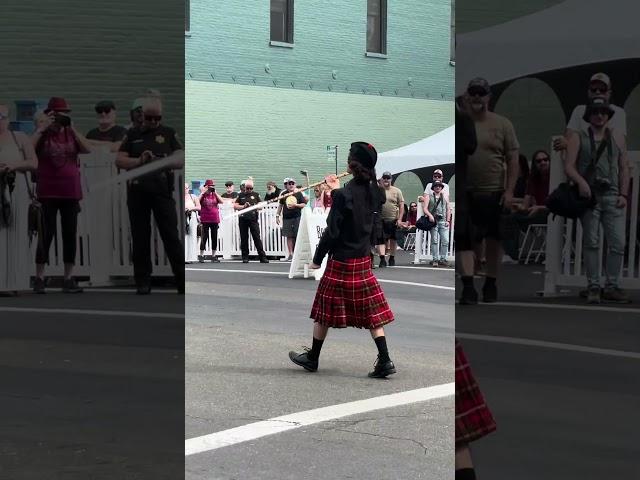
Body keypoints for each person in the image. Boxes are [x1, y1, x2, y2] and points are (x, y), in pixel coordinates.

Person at [289, 142, 396, 378]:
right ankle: (385, 360)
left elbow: (332, 231)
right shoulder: (376, 192)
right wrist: (335, 191)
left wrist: (317, 259)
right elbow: (361, 205)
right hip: (362, 260)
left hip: (341, 261)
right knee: (371, 312)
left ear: (351, 164)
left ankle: (313, 358)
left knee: (324, 310)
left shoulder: (345, 195)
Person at [116, 96, 185, 294]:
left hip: (162, 191)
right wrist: (139, 161)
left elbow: (180, 159)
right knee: (140, 237)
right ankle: (143, 281)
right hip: (138, 192)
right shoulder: (132, 134)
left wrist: (161, 161)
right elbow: (119, 160)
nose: (154, 122)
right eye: (149, 118)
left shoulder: (168, 133)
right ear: (141, 116)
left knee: (170, 235)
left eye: (157, 118)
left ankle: (181, 279)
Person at [565, 97, 630, 304]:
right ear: (588, 115)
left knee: (618, 243)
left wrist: (624, 193)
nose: (599, 115)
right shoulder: (579, 136)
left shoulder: (617, 136)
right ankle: (593, 285)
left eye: (603, 111)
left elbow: (624, 167)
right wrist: (581, 183)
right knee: (591, 242)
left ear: (608, 115)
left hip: (612, 195)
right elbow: (569, 166)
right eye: (595, 111)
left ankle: (611, 285)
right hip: (590, 195)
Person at [460, 77, 519, 304]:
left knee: (494, 239)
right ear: (467, 95)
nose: (477, 97)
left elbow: (513, 159)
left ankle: (491, 282)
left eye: (481, 93)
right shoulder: (462, 122)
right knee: (464, 240)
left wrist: (510, 191)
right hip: (467, 191)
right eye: (472, 92)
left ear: (488, 96)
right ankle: (467, 286)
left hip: (494, 190)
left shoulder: (503, 124)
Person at [31, 97, 92, 294]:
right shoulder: (44, 134)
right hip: (48, 191)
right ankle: (39, 277)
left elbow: (87, 149)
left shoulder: (71, 133)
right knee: (45, 235)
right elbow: (29, 149)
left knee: (69, 234)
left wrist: (72, 129)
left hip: (70, 192)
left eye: (65, 114)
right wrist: (42, 128)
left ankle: (68, 277)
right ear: (50, 114)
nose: (61, 117)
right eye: (58, 114)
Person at [0, 104, 38, 293]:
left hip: (17, 190)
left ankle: (16, 281)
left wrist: (14, 165)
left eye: (3, 117)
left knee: (17, 233)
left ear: (8, 119)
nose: (0, 121)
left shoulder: (20, 138)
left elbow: (33, 163)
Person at [554, 73, 627, 151]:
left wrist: (575, 143)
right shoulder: (579, 110)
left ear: (609, 93)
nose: (597, 92)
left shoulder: (618, 112)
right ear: (588, 92)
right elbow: (568, 138)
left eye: (602, 90)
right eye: (593, 90)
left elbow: (618, 143)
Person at [502, 150, 551, 260]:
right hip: (536, 212)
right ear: (534, 164)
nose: (543, 162)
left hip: (552, 213)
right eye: (539, 161)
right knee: (506, 218)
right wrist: (519, 207)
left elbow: (558, 205)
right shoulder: (533, 180)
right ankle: (511, 254)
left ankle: (511, 255)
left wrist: (539, 207)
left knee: (512, 218)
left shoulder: (555, 179)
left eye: (545, 160)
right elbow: (525, 204)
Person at [234, 178, 269, 263]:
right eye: (247, 188)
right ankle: (245, 257)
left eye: (251, 188)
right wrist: (243, 207)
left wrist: (256, 206)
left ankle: (262, 257)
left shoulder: (256, 195)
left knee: (257, 237)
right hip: (243, 219)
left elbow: (261, 206)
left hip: (253, 219)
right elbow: (235, 205)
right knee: (244, 238)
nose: (249, 190)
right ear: (244, 187)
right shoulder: (240, 195)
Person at [276, 176, 307, 261]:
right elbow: (280, 205)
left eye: (292, 183)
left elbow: (304, 204)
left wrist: (296, 205)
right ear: (287, 185)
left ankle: (298, 254)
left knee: (297, 235)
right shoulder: (284, 194)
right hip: (286, 217)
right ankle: (290, 254)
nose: (291, 185)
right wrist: (277, 216)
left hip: (296, 217)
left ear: (295, 184)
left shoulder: (298, 193)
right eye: (289, 183)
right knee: (289, 236)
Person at [378, 171, 404, 267]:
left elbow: (401, 206)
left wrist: (400, 219)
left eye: (388, 178)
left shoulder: (397, 191)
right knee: (380, 240)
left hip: (393, 219)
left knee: (393, 239)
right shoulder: (378, 190)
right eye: (384, 177)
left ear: (391, 179)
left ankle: (392, 257)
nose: (386, 179)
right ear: (381, 179)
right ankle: (382, 259)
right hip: (380, 219)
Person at [423, 181, 451, 267]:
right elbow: (425, 208)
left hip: (443, 220)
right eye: (436, 186)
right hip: (434, 221)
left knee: (445, 241)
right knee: (434, 241)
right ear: (433, 187)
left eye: (439, 186)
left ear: (442, 187)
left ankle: (443, 259)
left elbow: (448, 209)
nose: (438, 187)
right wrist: (430, 215)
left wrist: (448, 220)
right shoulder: (429, 196)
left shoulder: (445, 196)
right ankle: (435, 259)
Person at [198, 179, 224, 263]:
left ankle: (213, 255)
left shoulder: (214, 194)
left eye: (212, 186)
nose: (211, 188)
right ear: (206, 186)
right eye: (209, 186)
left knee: (214, 237)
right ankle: (201, 255)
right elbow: (197, 201)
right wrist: (203, 192)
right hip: (205, 219)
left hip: (214, 219)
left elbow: (222, 201)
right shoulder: (203, 195)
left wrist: (215, 192)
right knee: (204, 237)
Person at [184, 183, 200, 263]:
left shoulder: (193, 197)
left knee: (192, 236)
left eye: (186, 188)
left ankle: (191, 257)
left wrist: (190, 208)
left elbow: (199, 207)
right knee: (184, 237)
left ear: (188, 189)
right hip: (183, 217)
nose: (185, 190)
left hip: (191, 217)